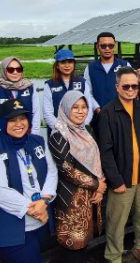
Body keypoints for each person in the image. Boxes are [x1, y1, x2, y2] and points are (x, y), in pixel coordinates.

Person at [0, 99, 58, 263]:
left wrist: (45, 200)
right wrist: (35, 209)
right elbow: (0, 192)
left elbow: (51, 171)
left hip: (39, 220)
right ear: (3, 121)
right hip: (10, 231)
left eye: (23, 118)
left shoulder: (37, 141)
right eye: (12, 120)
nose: (19, 124)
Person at [98, 66, 140, 263]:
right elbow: (105, 152)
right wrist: (115, 180)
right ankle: (113, 256)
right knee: (116, 222)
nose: (131, 90)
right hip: (121, 179)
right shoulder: (107, 113)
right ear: (117, 87)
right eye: (126, 86)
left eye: (134, 86)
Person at [48, 90, 107, 262]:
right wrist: (97, 184)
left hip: (92, 197)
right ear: (66, 109)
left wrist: (100, 187)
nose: (81, 111)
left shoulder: (87, 129)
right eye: (75, 107)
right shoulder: (58, 135)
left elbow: (98, 157)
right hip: (72, 200)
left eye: (84, 107)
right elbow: (67, 170)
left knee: (85, 242)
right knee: (72, 246)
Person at [43, 49, 95, 136]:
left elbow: (89, 109)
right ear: (57, 65)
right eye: (63, 62)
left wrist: (80, 127)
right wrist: (63, 130)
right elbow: (47, 113)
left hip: (79, 133)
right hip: (58, 134)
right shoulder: (49, 85)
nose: (67, 65)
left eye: (70, 62)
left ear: (74, 64)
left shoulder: (83, 83)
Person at [0, 56, 42, 136]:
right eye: (10, 70)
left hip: (27, 138)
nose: (15, 72)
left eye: (19, 69)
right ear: (4, 71)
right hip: (3, 141)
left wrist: (33, 137)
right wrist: (7, 142)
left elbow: (36, 114)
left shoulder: (30, 88)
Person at [84, 32, 131, 114]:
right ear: (97, 46)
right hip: (99, 115)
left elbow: (131, 90)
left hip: (122, 114)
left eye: (110, 45)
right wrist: (97, 108)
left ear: (115, 46)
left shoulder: (125, 65)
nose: (107, 48)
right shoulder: (90, 68)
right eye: (103, 46)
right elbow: (87, 92)